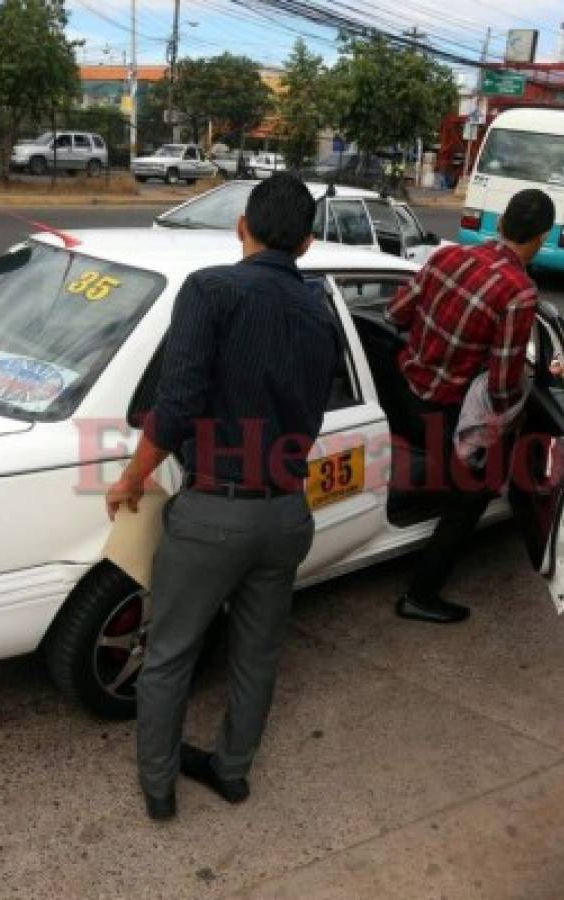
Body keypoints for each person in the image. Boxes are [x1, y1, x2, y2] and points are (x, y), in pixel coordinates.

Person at [103, 173, 340, 822]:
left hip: (213, 514)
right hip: (287, 513)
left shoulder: (211, 289)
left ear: (241, 226)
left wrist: (130, 478)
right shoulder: (319, 312)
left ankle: (158, 787)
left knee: (171, 653)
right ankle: (232, 773)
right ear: (307, 242)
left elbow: (175, 404)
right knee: (258, 654)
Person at [383, 189, 553, 624]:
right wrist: (512, 414)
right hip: (441, 413)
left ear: (501, 223)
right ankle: (420, 595)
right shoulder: (519, 292)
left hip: (400, 394)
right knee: (473, 493)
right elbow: (500, 384)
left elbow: (395, 313)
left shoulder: (447, 257)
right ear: (540, 238)